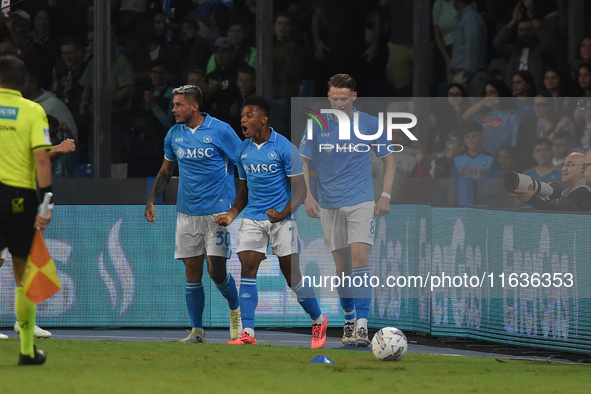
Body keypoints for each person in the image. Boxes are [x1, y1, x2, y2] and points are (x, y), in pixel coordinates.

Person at [214, 95, 328, 348]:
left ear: (264, 120)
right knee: (247, 268)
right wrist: (232, 214)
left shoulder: (285, 148)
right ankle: (248, 332)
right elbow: (243, 192)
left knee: (292, 278)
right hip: (253, 218)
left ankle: (319, 319)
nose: (243, 120)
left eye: (249, 115)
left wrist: (283, 213)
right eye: (242, 115)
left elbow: (299, 190)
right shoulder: (241, 151)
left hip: (282, 220)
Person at [299, 74, 395, 346]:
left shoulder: (370, 123)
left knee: (361, 259)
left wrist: (384, 195)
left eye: (344, 97)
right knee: (342, 269)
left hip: (361, 200)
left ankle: (363, 326)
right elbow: (302, 162)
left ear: (354, 96)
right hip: (329, 203)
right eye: (335, 97)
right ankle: (349, 319)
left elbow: (389, 161)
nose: (339, 102)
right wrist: (308, 195)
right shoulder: (317, 124)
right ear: (329, 97)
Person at [145, 85, 242, 343]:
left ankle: (235, 311)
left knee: (216, 271)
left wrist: (238, 206)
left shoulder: (221, 130)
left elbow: (244, 163)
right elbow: (166, 171)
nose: (173, 109)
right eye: (173, 105)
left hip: (217, 212)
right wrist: (151, 199)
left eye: (178, 105)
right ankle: (197, 331)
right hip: (187, 212)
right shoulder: (173, 135)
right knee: (192, 270)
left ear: (194, 106)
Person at [0, 55, 52, 365]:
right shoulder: (33, 110)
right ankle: (27, 350)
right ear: (23, 83)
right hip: (19, 197)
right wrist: (46, 201)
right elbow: (42, 160)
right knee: (23, 273)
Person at [512, 152, 591, 211]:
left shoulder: (583, 193)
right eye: (563, 165)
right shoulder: (567, 193)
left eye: (569, 165)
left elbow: (565, 213)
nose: (563, 168)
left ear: (583, 169)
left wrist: (533, 200)